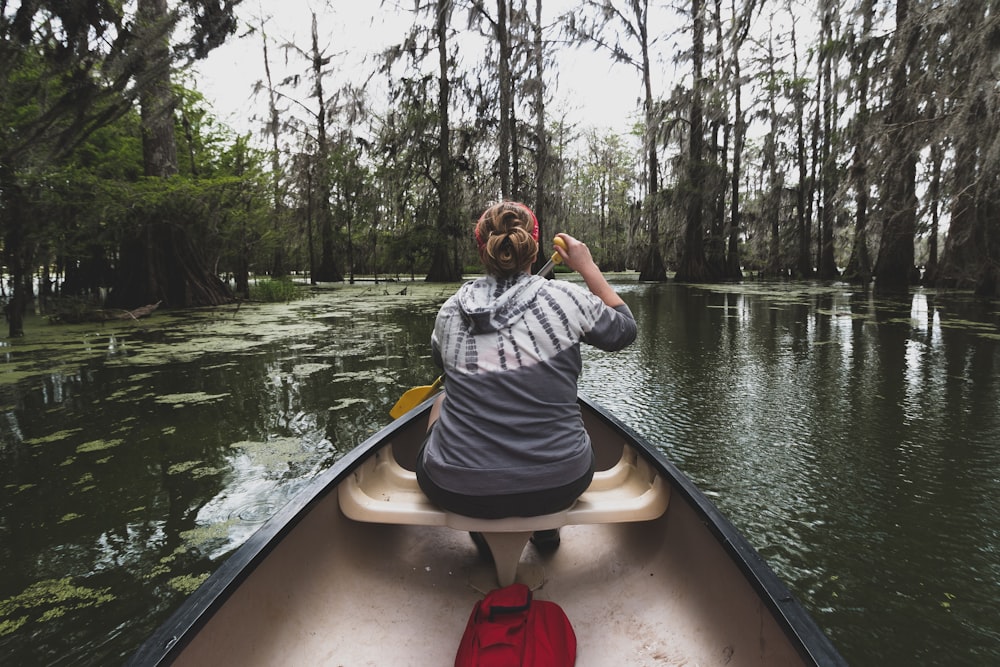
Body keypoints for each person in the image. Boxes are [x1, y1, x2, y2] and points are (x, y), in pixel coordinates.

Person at [415, 200, 637, 551]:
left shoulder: (449, 311)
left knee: (442, 399)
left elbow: (442, 365)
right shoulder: (567, 298)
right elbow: (624, 330)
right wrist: (587, 267)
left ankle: (484, 536)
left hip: (457, 488)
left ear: (483, 251)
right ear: (533, 250)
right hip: (562, 482)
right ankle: (546, 531)